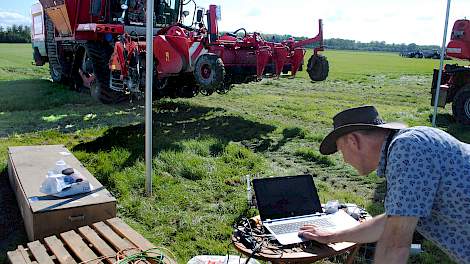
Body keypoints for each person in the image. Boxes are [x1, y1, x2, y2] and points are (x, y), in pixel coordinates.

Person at [297, 105, 470, 264]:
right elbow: (392, 222)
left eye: (342, 151)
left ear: (353, 141)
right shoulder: (412, 142)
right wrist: (331, 236)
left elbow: (395, 245)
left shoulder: (407, 149)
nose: (344, 160)